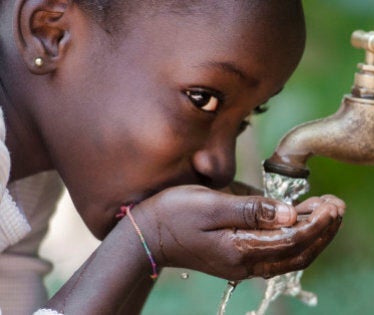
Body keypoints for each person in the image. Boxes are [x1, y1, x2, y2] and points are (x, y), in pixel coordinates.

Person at [0, 0, 346, 314]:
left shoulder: (26, 180)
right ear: (50, 32)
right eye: (202, 99)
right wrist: (146, 238)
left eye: (245, 118)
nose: (221, 166)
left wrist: (152, 244)